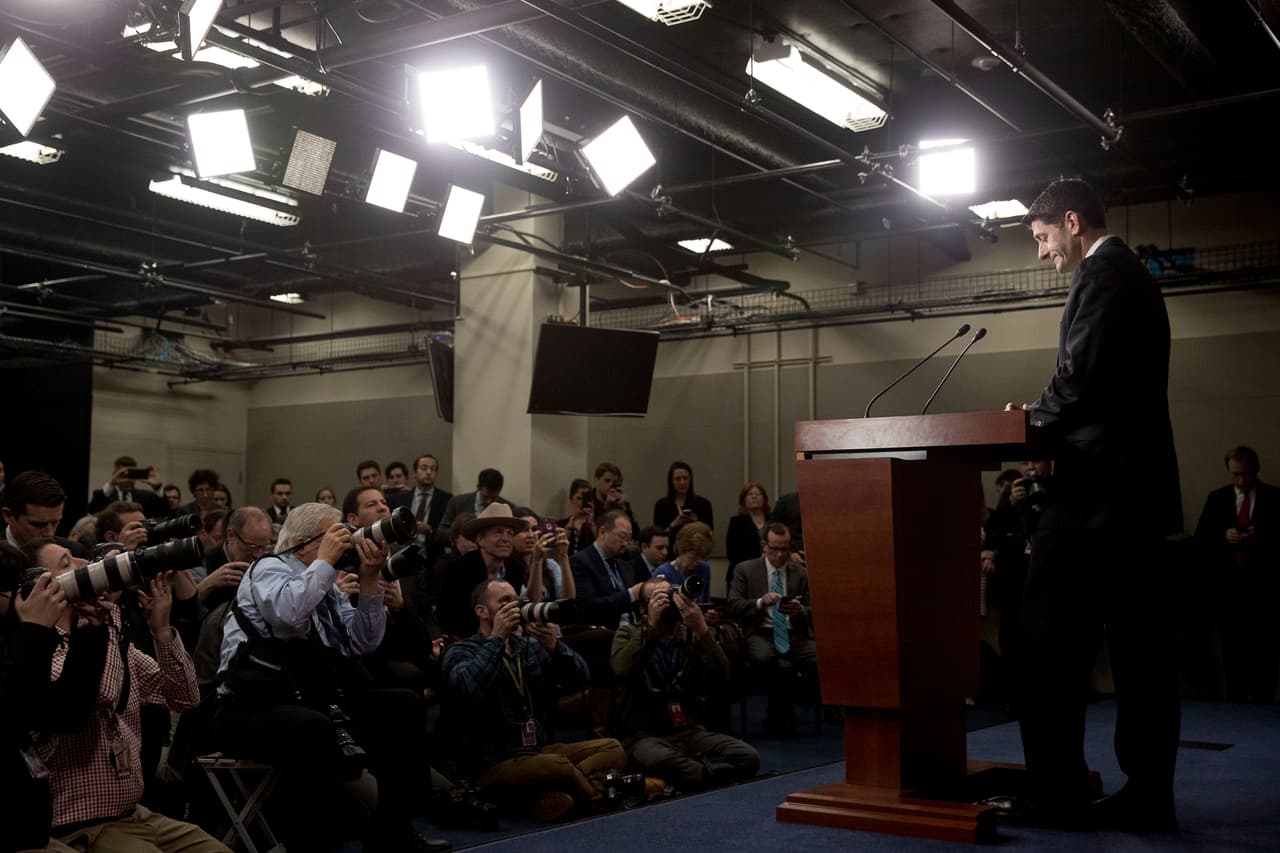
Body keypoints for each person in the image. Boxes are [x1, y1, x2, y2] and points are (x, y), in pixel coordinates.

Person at [1006, 178, 1182, 831]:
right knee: (1139, 653)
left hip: (1096, 499)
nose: (1043, 252)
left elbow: (1078, 375)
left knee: (1042, 642)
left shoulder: (1104, 273)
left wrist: (1030, 425)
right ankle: (1146, 794)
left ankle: (1056, 794)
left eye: (1044, 237)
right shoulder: (1130, 274)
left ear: (1072, 222)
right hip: (1129, 495)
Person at [212, 502, 448, 852]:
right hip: (250, 705)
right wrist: (323, 562)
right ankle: (313, 843)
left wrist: (369, 580)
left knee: (402, 705)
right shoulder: (267, 568)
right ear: (305, 541)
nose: (347, 541)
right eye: (336, 534)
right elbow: (288, 616)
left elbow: (362, 642)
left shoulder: (326, 582)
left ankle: (391, 833)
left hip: (310, 698)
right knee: (313, 728)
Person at [22, 539, 226, 853]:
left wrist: (162, 630)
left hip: (136, 814)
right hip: (81, 824)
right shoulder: (42, 650)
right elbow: (99, 693)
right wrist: (107, 621)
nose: (84, 564)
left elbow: (186, 698)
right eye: (67, 562)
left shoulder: (111, 641)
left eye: (81, 556)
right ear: (42, 587)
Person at [439, 579, 626, 822]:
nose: (514, 607)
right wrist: (496, 638)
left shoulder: (527, 646)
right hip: (491, 762)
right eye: (505, 602)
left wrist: (554, 648)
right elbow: (469, 687)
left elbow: (582, 678)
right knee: (555, 765)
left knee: (612, 748)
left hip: (536, 750)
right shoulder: (460, 651)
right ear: (482, 611)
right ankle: (596, 799)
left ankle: (539, 798)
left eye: (516, 601)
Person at [1, 542, 106, 853]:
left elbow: (63, 715)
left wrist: (90, 633)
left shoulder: (17, 641)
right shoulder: (24, 640)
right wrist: (33, 630)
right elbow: (8, 715)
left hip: (28, 833)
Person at [612, 578, 759, 791]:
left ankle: (697, 775)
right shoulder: (629, 634)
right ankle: (710, 775)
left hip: (688, 730)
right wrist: (652, 628)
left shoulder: (690, 634)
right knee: (659, 758)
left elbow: (724, 675)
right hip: (645, 734)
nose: (669, 604)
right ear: (644, 608)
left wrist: (702, 630)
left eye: (672, 597)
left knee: (748, 756)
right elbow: (621, 669)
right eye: (660, 599)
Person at [1194, 446, 1278, 704]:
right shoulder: (1217, 498)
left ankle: (1264, 703)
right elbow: (1201, 539)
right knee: (1233, 651)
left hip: (1264, 586)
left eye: (1246, 474)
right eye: (1236, 475)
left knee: (1264, 650)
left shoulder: (1274, 498)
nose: (1241, 481)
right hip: (1229, 588)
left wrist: (1260, 537)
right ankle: (1237, 704)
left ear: (1256, 470)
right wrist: (1224, 536)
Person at [726, 523, 817, 737]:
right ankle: (783, 709)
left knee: (823, 658)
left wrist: (800, 610)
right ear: (764, 546)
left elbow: (816, 609)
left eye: (785, 549)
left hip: (792, 633)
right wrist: (760, 602)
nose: (779, 554)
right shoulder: (745, 570)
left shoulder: (801, 573)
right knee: (763, 657)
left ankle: (798, 697)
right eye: (774, 548)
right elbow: (733, 605)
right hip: (761, 632)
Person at [438, 503, 528, 639]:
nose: (505, 539)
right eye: (498, 532)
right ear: (480, 539)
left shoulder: (515, 569)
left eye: (510, 533)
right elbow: (448, 619)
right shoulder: (457, 570)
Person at [387, 454, 452, 563]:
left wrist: (430, 530)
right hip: (402, 559)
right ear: (415, 473)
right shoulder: (399, 499)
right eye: (424, 468)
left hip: (433, 560)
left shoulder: (446, 499)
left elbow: (449, 535)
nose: (428, 472)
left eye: (433, 469)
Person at [438, 469, 515, 548]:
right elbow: (441, 533)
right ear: (478, 487)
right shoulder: (457, 503)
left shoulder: (508, 508)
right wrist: (460, 537)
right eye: (485, 496)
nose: (489, 501)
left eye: (493, 498)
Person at [653, 522, 713, 605]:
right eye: (694, 556)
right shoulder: (663, 572)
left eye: (701, 557)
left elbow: (706, 601)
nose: (697, 562)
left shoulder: (704, 568)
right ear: (682, 550)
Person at [88, 456, 168, 517]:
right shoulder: (105, 495)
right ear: (114, 474)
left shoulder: (147, 496)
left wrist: (157, 487)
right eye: (123, 474)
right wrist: (111, 484)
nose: (128, 479)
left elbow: (165, 513)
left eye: (132, 474)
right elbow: (92, 510)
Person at [726, 482, 770, 585]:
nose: (754, 497)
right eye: (750, 494)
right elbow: (731, 552)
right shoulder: (736, 522)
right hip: (743, 572)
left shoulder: (773, 519)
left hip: (770, 571)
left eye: (758, 494)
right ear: (743, 500)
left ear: (764, 498)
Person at [652, 461, 714, 533]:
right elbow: (658, 538)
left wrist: (697, 522)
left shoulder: (703, 504)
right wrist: (674, 524)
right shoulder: (661, 506)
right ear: (671, 481)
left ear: (690, 479)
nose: (682, 482)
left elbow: (710, 534)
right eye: (678, 479)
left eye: (685, 478)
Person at [558, 479, 595, 556]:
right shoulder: (561, 524)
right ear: (571, 499)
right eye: (579, 498)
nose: (582, 502)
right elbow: (559, 550)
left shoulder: (596, 525)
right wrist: (570, 524)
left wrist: (591, 524)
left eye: (586, 499)